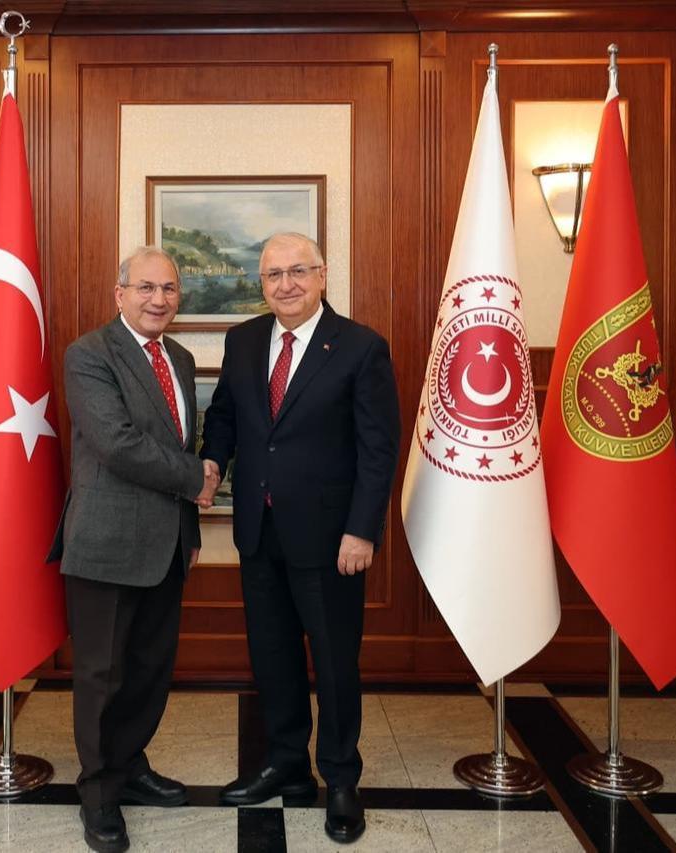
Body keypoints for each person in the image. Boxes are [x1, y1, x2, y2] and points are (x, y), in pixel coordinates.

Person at [200, 232, 400, 844]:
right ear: (260, 284)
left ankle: (340, 778)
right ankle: (285, 762)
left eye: (296, 272)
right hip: (260, 533)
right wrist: (212, 461)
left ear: (321, 276)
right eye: (271, 276)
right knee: (274, 657)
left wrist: (361, 530)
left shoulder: (362, 348)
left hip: (332, 540)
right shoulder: (244, 340)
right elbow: (228, 417)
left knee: (336, 665)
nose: (284, 285)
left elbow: (377, 448)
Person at [50, 245, 218, 853]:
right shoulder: (89, 354)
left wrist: (190, 531)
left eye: (169, 289)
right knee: (102, 674)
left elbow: (181, 437)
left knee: (149, 670)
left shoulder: (180, 356)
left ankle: (130, 767)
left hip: (168, 544)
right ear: (119, 293)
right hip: (106, 541)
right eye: (145, 288)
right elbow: (117, 444)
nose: (158, 300)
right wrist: (197, 478)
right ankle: (98, 793)